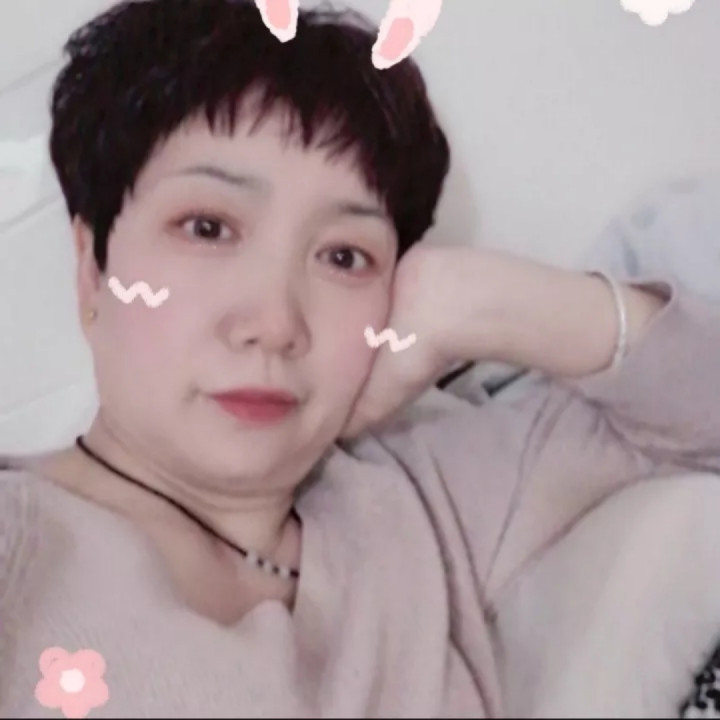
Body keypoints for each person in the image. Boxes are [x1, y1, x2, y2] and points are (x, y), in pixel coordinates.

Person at [1, 0, 719, 717]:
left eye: (345, 256)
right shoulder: (22, 549)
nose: (275, 323)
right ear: (91, 270)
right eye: (208, 227)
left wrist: (476, 301)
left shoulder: (419, 495)